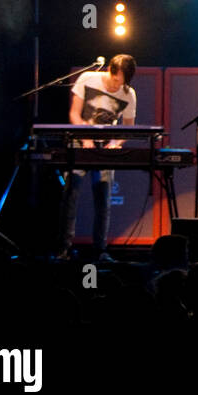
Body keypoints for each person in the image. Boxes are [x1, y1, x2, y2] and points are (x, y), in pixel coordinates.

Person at [58, 54, 137, 261]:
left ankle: (100, 249)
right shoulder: (87, 78)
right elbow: (75, 114)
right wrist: (85, 138)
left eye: (122, 81)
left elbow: (127, 129)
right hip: (80, 142)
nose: (117, 85)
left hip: (104, 148)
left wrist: (115, 144)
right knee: (71, 193)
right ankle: (63, 248)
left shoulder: (129, 94)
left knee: (103, 197)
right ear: (109, 71)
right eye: (115, 79)